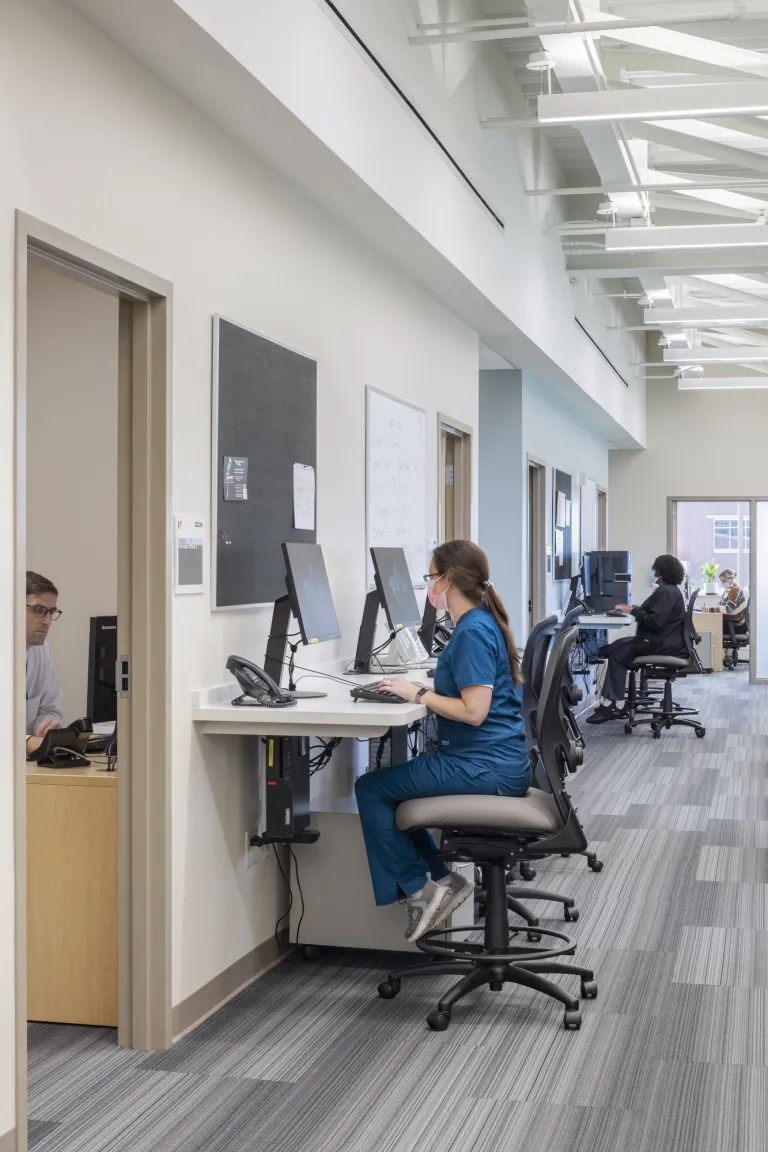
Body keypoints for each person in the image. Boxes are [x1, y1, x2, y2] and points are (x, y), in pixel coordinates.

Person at [354, 540, 531, 943]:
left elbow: (474, 712)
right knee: (388, 787)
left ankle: (422, 890)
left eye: (431, 576)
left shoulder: (471, 632)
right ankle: (440, 882)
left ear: (448, 579)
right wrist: (423, 687)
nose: (429, 585)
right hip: (495, 760)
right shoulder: (480, 623)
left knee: (372, 789)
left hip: (485, 766)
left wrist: (418, 695)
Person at [587, 553, 687, 725]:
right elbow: (655, 613)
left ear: (661, 572)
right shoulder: (669, 591)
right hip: (662, 641)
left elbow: (654, 621)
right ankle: (612, 701)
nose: (653, 572)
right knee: (614, 647)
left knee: (617, 654)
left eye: (655, 569)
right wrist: (632, 608)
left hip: (659, 644)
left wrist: (632, 611)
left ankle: (613, 705)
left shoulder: (666, 592)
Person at [25, 571, 63, 753]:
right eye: (39, 610)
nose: (47, 621)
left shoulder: (41, 650)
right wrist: (27, 741)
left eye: (52, 612)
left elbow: (49, 707)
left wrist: (46, 727)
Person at [719, 568, 749, 668]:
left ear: (731, 579)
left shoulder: (735, 590)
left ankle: (710, 661)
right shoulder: (728, 591)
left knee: (710, 628)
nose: (722, 583)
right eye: (721, 581)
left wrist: (710, 610)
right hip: (732, 623)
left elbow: (727, 609)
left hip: (736, 625)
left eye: (724, 581)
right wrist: (711, 609)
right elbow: (719, 605)